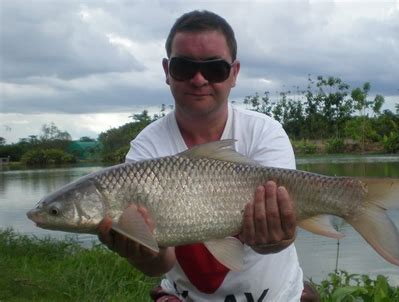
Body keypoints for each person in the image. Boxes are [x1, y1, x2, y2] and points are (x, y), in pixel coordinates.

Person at [98, 10, 317, 302]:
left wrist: (279, 236)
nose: (199, 79)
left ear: (234, 73)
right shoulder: (147, 148)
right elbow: (158, 264)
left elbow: (278, 240)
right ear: (166, 71)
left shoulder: (265, 131)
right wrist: (142, 252)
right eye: (184, 67)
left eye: (214, 69)